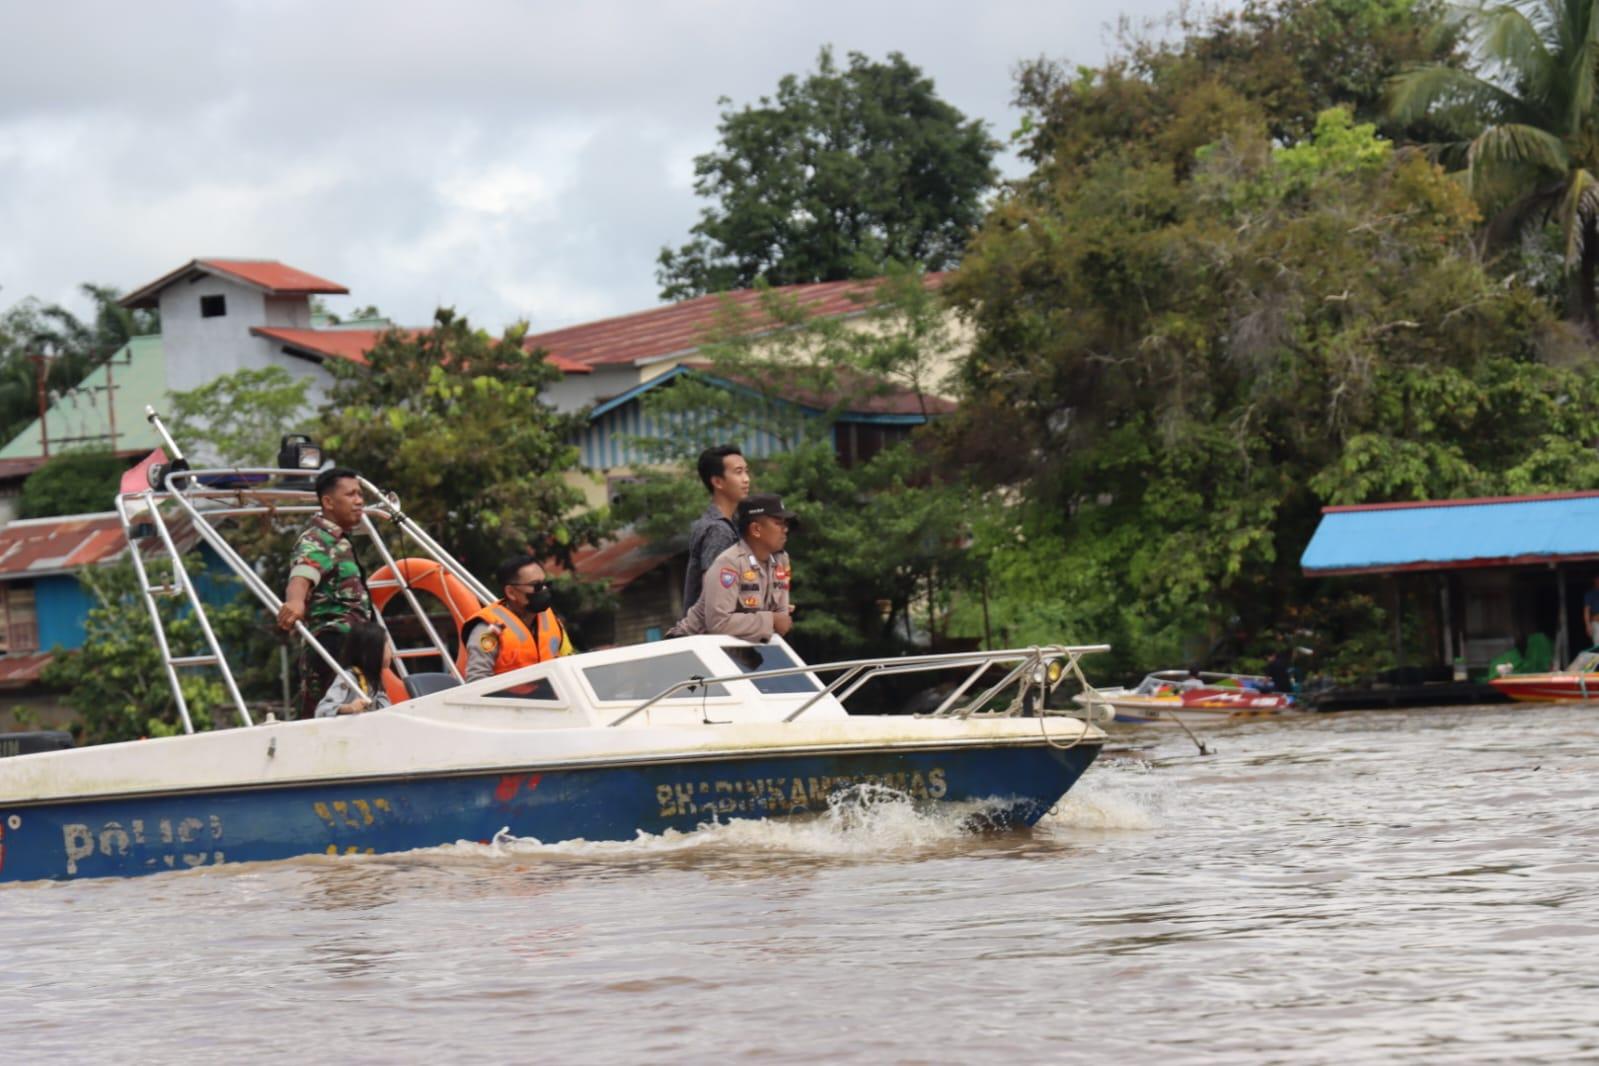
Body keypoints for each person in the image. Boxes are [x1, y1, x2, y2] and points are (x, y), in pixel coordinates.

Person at [277, 467, 373, 718]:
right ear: (328, 502)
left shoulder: (342, 541)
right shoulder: (317, 539)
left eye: (360, 494)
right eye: (350, 494)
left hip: (357, 644)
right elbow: (302, 574)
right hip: (332, 645)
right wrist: (295, 602)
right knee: (321, 716)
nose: (359, 501)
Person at [667, 494, 795, 641]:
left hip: (740, 646)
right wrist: (771, 620)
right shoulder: (729, 563)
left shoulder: (781, 561)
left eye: (785, 524)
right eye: (778, 523)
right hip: (692, 643)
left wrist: (777, 620)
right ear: (756, 529)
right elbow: (719, 624)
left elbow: (782, 620)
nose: (785, 529)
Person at [462, 554, 575, 682]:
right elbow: (477, 681)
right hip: (508, 694)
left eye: (545, 584)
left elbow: (569, 659)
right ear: (511, 592)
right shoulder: (488, 630)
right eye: (536, 586)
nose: (544, 589)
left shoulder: (551, 619)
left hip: (553, 691)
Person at [682, 444, 751, 611]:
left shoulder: (729, 524)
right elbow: (716, 599)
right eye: (738, 472)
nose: (746, 479)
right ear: (717, 482)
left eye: (746, 471)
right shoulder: (718, 530)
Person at [315, 622, 394, 718]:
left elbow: (387, 710)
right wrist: (349, 708)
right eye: (387, 646)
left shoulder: (373, 680)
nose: (391, 651)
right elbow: (322, 710)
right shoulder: (348, 678)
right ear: (372, 651)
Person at [1584, 576, 1599, 648]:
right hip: (1596, 623)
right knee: (1597, 645)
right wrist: (1588, 625)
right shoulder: (1590, 594)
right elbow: (1586, 610)